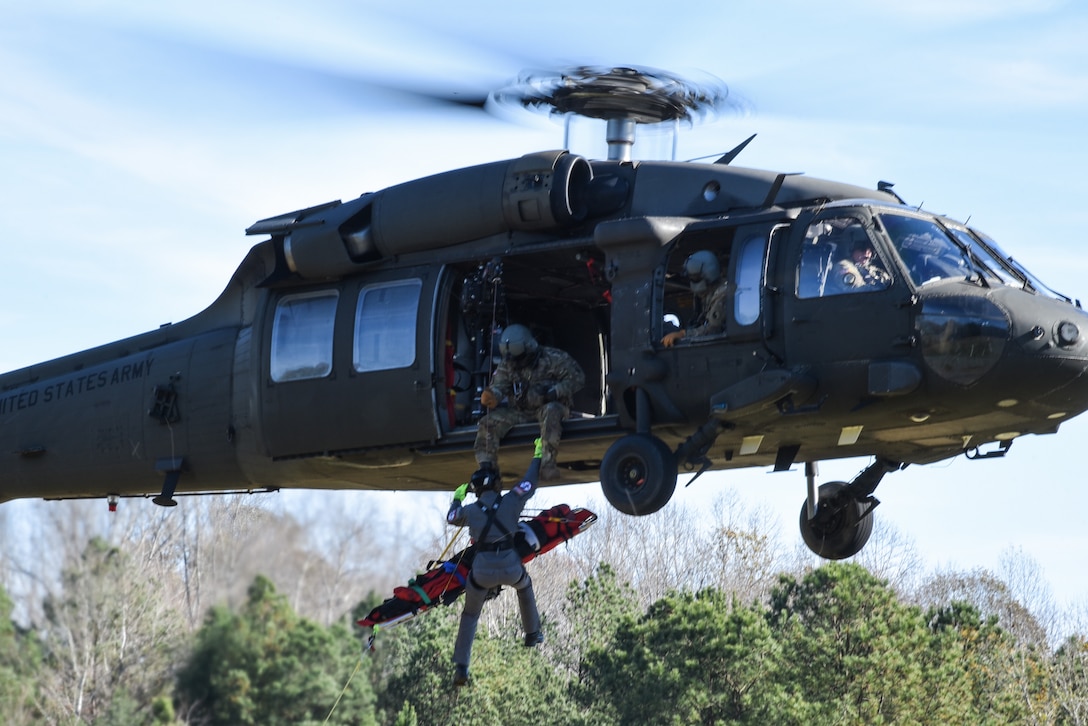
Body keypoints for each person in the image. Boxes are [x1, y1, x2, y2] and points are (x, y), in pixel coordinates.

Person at [448, 439, 545, 687]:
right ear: (497, 484)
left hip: (481, 572)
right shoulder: (512, 499)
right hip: (511, 567)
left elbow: (452, 518)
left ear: (476, 489)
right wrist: (537, 455)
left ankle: (462, 666)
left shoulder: (469, 510)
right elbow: (529, 483)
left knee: (470, 614)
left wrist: (457, 499)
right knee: (524, 588)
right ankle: (532, 634)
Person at [474, 324, 585, 482]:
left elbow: (578, 379)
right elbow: (500, 385)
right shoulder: (508, 364)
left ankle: (548, 464)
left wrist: (555, 392)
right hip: (521, 412)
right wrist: (493, 396)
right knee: (487, 423)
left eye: (521, 359)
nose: (517, 363)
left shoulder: (554, 358)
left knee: (551, 410)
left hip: (550, 407)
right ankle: (487, 470)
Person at [661, 250, 730, 347]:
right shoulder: (706, 294)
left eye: (696, 277)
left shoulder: (723, 293)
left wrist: (682, 334)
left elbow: (713, 329)